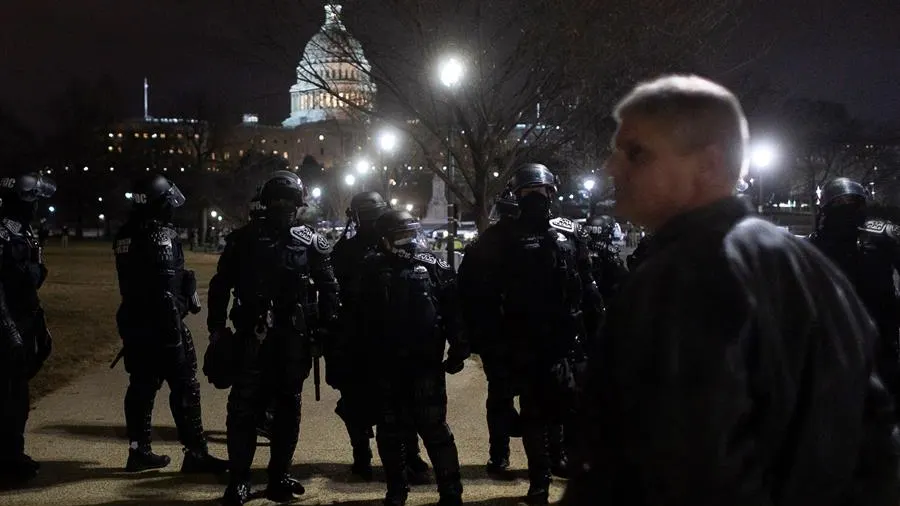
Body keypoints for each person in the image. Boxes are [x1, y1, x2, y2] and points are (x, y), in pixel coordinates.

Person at [562, 75, 900, 506]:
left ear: (707, 164)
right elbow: (874, 431)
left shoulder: (685, 276)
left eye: (636, 153)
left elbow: (681, 461)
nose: (614, 167)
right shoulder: (807, 264)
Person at [470, 163, 601, 505]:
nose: (535, 199)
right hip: (523, 339)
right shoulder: (500, 237)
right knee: (532, 412)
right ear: (517, 195)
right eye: (528, 193)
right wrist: (487, 343)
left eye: (540, 192)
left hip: (567, 337)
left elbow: (587, 286)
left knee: (568, 407)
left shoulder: (569, 233)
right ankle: (538, 477)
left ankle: (561, 461)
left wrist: (597, 328)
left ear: (551, 194)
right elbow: (480, 293)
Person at [207, 170, 340, 506]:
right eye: (277, 201)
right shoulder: (243, 240)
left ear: (298, 205)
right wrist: (216, 327)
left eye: (289, 201)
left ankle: (279, 475)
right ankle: (239, 480)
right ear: (265, 203)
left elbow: (329, 289)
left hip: (292, 341)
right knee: (243, 411)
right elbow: (220, 286)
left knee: (287, 411)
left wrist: (325, 328)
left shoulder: (311, 241)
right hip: (253, 337)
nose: (283, 207)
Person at [112, 174, 226, 474]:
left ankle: (138, 450)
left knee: (141, 386)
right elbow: (164, 290)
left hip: (136, 322)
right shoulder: (160, 235)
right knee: (185, 386)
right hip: (164, 324)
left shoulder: (125, 234)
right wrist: (175, 332)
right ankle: (195, 452)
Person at [353, 209, 467, 506]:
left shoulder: (373, 267)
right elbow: (455, 314)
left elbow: (356, 317)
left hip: (398, 366)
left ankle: (403, 491)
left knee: (397, 432)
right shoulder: (433, 265)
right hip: (414, 366)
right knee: (427, 431)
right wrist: (458, 351)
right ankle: (444, 492)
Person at [328, 191, 430, 482]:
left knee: (403, 398)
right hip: (355, 335)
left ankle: (410, 453)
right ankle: (362, 455)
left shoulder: (394, 242)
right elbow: (330, 291)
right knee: (354, 399)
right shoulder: (345, 251)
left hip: (392, 333)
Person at [810, 177, 900, 414]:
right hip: (833, 354)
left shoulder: (881, 239)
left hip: (876, 348)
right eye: (841, 204)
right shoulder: (813, 247)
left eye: (851, 203)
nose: (847, 210)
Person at [457, 190, 523, 477]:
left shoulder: (483, 244)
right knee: (523, 394)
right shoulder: (526, 241)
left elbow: (464, 293)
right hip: (518, 331)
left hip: (495, 333)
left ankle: (500, 455)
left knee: (500, 395)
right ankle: (539, 454)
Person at [0, 172, 55, 488]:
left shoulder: (24, 231)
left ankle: (13, 453)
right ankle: (6, 460)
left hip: (25, 318)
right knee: (7, 394)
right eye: (33, 198)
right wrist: (8, 328)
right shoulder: (4, 231)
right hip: (8, 322)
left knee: (18, 394)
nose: (37, 206)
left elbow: (30, 281)